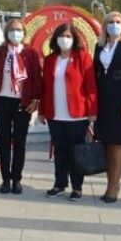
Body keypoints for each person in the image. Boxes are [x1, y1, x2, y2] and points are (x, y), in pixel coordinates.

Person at [39, 23, 97, 201]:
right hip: (55, 113)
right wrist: (42, 111)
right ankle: (59, 184)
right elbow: (44, 88)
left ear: (75, 39)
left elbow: (91, 86)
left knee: (75, 152)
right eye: (61, 36)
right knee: (60, 151)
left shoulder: (83, 57)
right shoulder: (50, 60)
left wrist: (92, 111)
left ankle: (77, 187)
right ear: (55, 38)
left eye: (68, 36)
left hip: (77, 114)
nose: (65, 39)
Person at [0, 19, 42, 195]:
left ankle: (17, 179)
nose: (15, 33)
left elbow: (36, 79)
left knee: (20, 142)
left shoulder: (30, 53)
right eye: (12, 30)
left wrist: (35, 100)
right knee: (3, 142)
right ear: (6, 32)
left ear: (24, 33)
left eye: (18, 30)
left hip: (22, 102)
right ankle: (5, 179)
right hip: (2, 100)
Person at [94, 11, 121, 202]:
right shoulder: (99, 46)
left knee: (117, 144)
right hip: (102, 102)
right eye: (110, 22)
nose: (114, 25)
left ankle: (114, 185)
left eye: (118, 22)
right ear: (104, 26)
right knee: (105, 143)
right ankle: (109, 181)